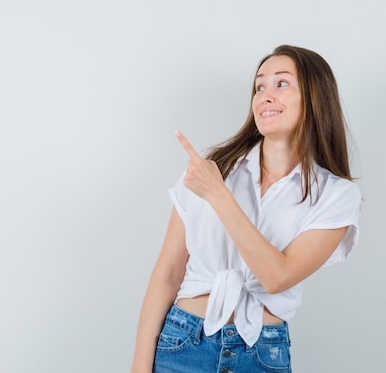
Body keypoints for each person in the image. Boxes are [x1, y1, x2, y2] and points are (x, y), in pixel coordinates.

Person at [131, 45, 361, 373]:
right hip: (182, 344)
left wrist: (218, 195)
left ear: (315, 98)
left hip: (262, 355)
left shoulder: (337, 195)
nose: (266, 95)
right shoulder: (212, 167)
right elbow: (168, 273)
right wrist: (139, 367)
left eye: (282, 84)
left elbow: (276, 276)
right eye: (259, 86)